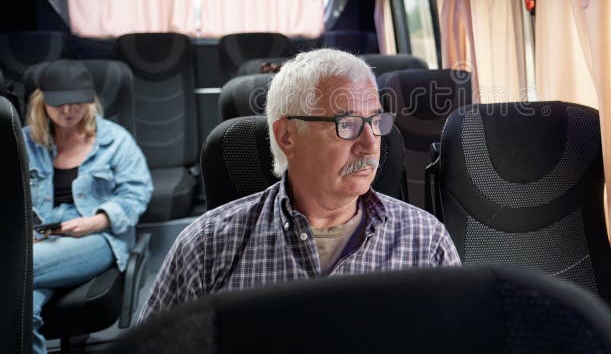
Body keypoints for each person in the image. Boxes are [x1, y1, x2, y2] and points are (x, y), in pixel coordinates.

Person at [139, 49, 460, 322]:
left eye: (375, 121)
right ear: (287, 136)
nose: (370, 143)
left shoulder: (425, 240)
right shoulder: (206, 247)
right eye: (346, 124)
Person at [25, 60, 153, 354]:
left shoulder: (116, 141)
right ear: (41, 101)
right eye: (60, 104)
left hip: (96, 237)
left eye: (76, 102)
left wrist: (97, 221)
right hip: (37, 236)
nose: (69, 110)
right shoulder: (22, 140)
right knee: (18, 305)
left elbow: (137, 194)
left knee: (15, 267)